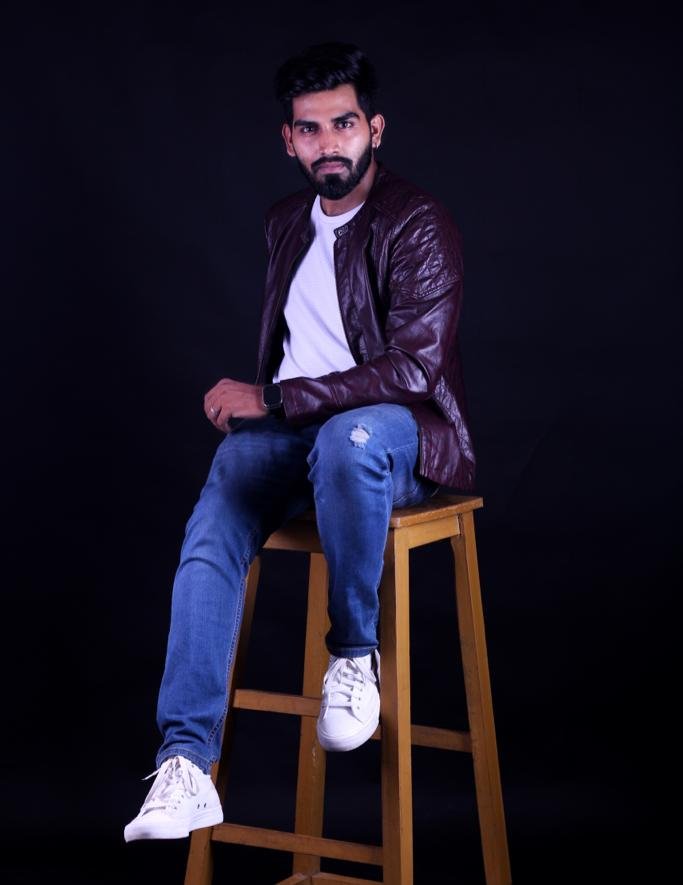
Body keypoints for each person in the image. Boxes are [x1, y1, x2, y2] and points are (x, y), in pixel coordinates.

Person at [124, 40, 475, 842]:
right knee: (217, 514)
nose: (328, 143)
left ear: (374, 128)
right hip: (297, 435)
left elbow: (413, 368)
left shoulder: (418, 222)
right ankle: (186, 764)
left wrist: (275, 397)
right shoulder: (285, 222)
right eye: (309, 129)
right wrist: (275, 412)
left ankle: (354, 653)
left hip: (396, 437)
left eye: (343, 124)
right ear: (288, 140)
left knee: (348, 439)